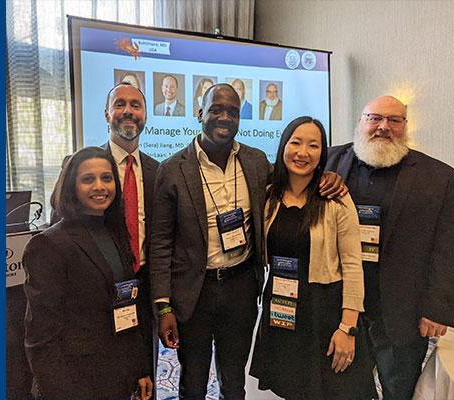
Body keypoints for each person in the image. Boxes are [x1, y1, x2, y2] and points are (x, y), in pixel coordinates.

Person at [148, 84, 346, 400]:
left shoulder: (255, 163)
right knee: (193, 381)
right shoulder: (172, 169)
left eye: (233, 112)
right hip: (193, 292)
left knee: (234, 380)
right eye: (216, 110)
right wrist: (163, 306)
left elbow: (296, 180)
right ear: (200, 113)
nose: (224, 117)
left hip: (241, 287)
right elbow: (159, 243)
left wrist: (329, 176)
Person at [326, 95, 454, 400]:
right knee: (343, 386)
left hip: (400, 312)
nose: (383, 127)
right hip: (338, 305)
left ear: (405, 126)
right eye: (374, 118)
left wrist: (437, 310)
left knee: (398, 388)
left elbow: (452, 248)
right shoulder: (327, 163)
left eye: (394, 120)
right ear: (360, 122)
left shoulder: (439, 177)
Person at [249, 116, 377, 399]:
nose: (302, 152)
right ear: (283, 146)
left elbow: (354, 267)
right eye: (295, 142)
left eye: (313, 145)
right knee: (291, 387)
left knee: (328, 389)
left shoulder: (336, 199)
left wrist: (347, 328)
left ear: (322, 154)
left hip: (324, 309)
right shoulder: (269, 196)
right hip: (282, 306)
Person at [23, 146, 154, 400]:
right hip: (74, 382)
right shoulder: (49, 244)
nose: (99, 186)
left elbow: (127, 306)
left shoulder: (115, 233)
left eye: (106, 178)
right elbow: (40, 338)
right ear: (72, 186)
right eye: (88, 179)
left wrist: (140, 369)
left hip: (117, 374)